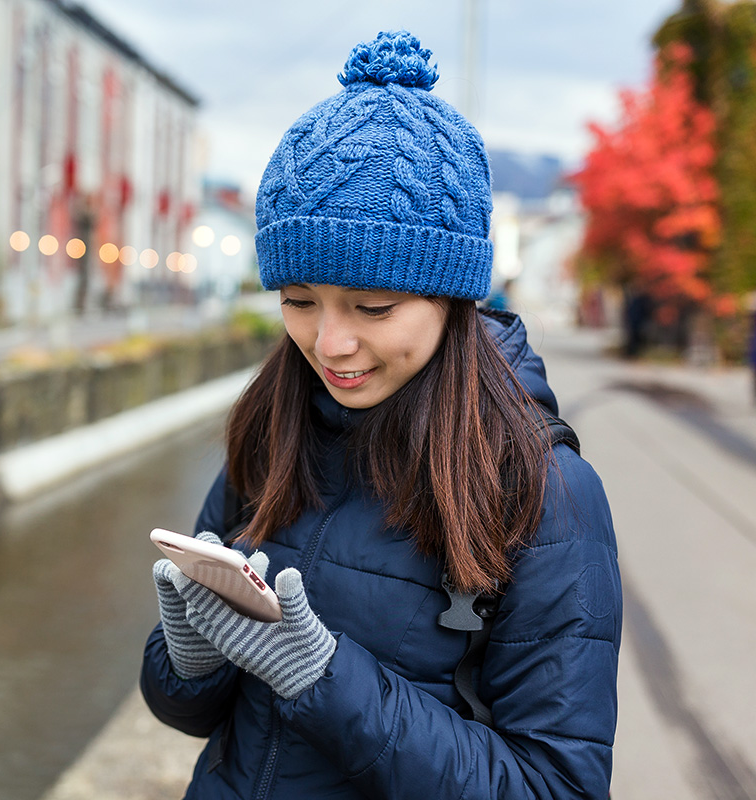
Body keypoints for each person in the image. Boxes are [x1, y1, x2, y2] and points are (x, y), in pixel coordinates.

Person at [140, 31, 622, 799]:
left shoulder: (545, 493)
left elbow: (558, 784)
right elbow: (186, 715)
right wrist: (189, 654)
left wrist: (325, 677)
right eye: (298, 303)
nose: (329, 344)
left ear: (454, 300)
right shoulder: (274, 429)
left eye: (373, 306)